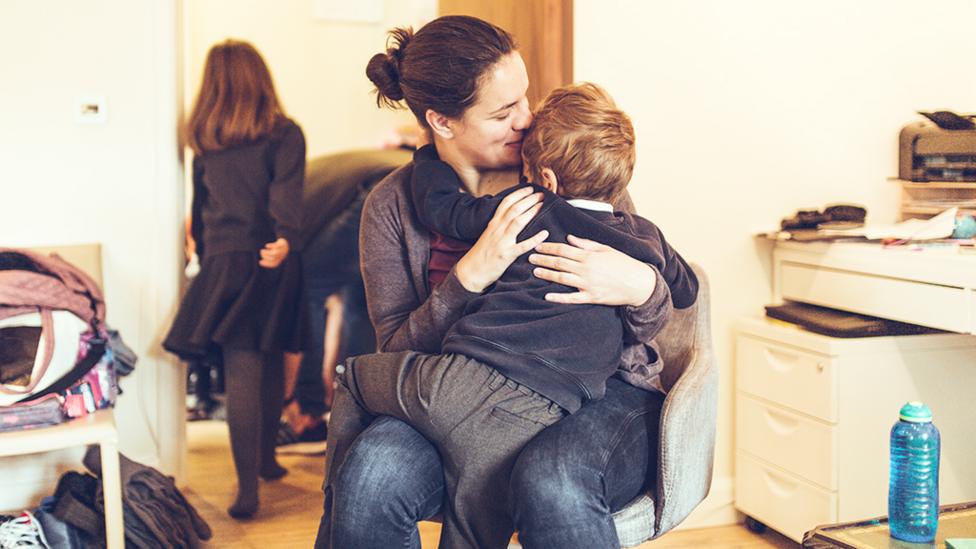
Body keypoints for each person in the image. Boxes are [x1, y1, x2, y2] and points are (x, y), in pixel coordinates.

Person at [315, 16, 692, 549]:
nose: (527, 119)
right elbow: (397, 348)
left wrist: (641, 288)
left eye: (525, 98)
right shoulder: (392, 207)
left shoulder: (567, 162)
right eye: (502, 112)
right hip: (466, 391)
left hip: (600, 392)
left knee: (554, 481)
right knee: (369, 476)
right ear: (442, 122)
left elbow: (656, 310)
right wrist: (466, 279)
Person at [162, 39, 305, 519]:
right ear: (259, 80)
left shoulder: (207, 146)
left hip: (225, 263)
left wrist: (203, 255)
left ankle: (254, 476)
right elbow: (287, 197)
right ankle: (259, 469)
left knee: (243, 367)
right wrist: (284, 237)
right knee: (264, 359)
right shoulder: (285, 133)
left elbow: (200, 215)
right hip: (270, 256)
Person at [276, 149, 411, 454]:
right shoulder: (314, 186)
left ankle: (309, 413)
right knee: (360, 301)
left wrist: (289, 398)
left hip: (375, 190)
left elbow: (299, 302)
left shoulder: (272, 207)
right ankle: (353, 406)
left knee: (306, 289)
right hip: (403, 185)